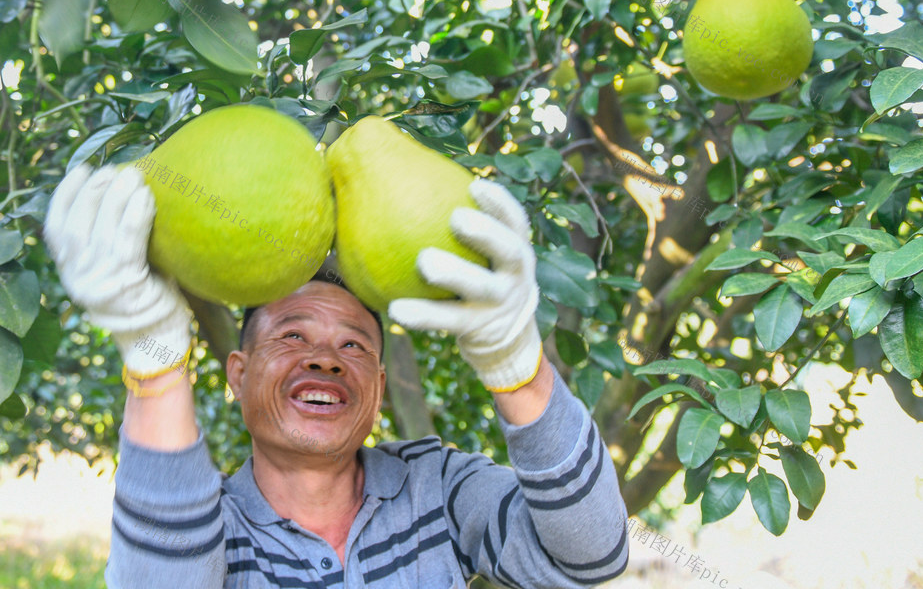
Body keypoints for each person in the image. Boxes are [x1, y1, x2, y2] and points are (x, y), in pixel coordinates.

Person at [44, 163, 630, 588]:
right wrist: (155, 361)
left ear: (377, 391)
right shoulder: (211, 525)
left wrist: (517, 369)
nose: (325, 359)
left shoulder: (437, 486)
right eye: (293, 335)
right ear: (238, 375)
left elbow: (591, 557)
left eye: (352, 345)